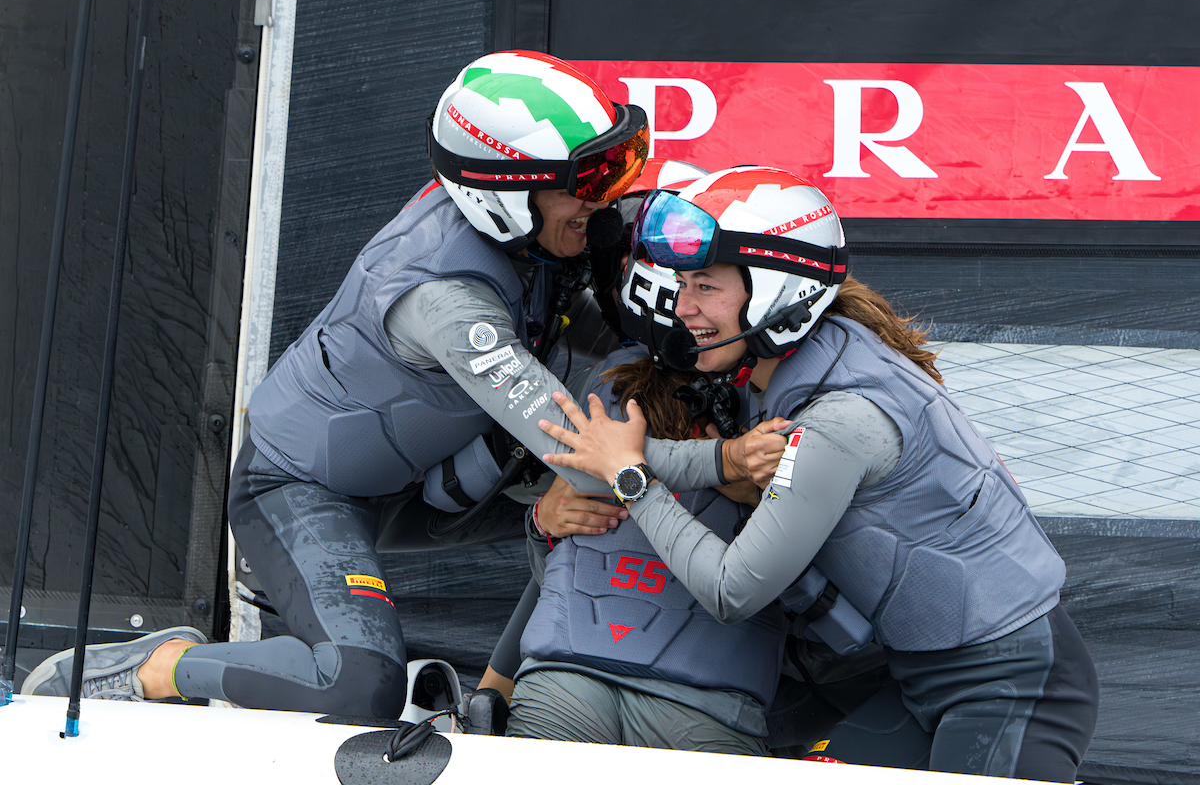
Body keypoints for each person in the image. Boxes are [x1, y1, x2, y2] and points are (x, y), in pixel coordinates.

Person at [23, 50, 650, 715]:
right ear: (502, 194)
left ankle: (491, 700)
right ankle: (157, 668)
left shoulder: (530, 237)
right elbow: (591, 459)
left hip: (410, 480)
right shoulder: (448, 300)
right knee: (360, 684)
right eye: (584, 179)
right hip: (298, 488)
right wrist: (726, 465)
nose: (600, 198)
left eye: (614, 169)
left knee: (599, 514)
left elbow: (609, 349)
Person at [537, 166, 1099, 780]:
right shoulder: (798, 359)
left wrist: (631, 479)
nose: (684, 305)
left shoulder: (839, 417)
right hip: (922, 677)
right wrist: (614, 455)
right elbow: (710, 459)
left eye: (704, 284)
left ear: (778, 289)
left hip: (1013, 686)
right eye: (680, 282)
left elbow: (733, 589)